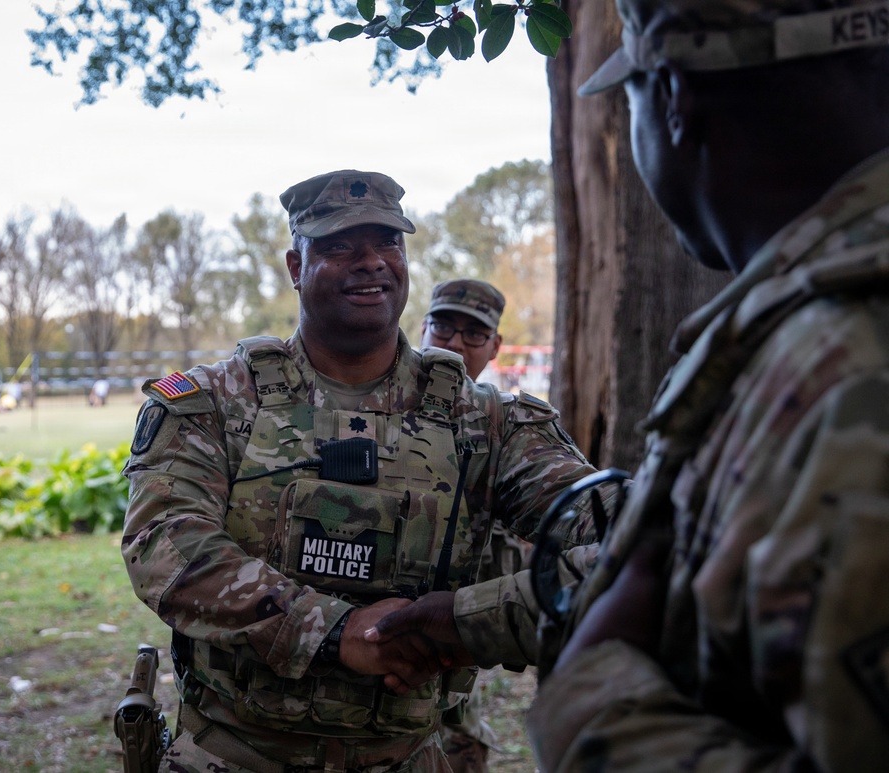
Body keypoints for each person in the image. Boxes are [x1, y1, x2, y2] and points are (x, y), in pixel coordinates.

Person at [368, 0, 889, 769]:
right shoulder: (798, 334)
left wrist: (590, 693)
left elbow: (630, 576)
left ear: (672, 97)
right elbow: (663, 571)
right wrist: (464, 618)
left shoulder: (841, 362)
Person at [121, 169, 599, 773]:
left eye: (387, 243)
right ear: (296, 266)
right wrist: (331, 629)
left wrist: (468, 622)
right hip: (236, 754)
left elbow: (609, 526)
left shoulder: (484, 419)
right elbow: (163, 545)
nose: (371, 262)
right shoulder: (212, 402)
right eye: (339, 246)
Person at [420, 278, 528, 773]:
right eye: (443, 326)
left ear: (495, 346)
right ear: (423, 327)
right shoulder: (376, 406)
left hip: (452, 646)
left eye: (473, 333)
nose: (455, 342)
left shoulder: (501, 430)